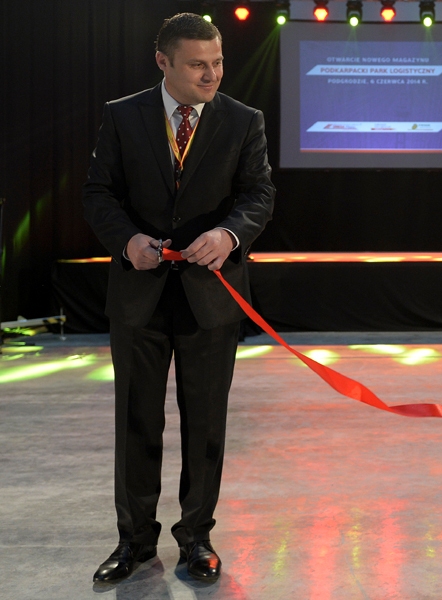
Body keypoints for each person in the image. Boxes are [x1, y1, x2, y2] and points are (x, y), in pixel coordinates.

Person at [84, 13, 275, 584]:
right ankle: (134, 541)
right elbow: (99, 193)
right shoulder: (123, 116)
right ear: (163, 62)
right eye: (197, 65)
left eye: (217, 62)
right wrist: (127, 242)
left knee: (206, 425)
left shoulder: (243, 119)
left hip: (210, 298)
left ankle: (197, 537)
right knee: (136, 423)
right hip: (139, 296)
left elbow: (259, 194)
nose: (211, 74)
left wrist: (230, 235)